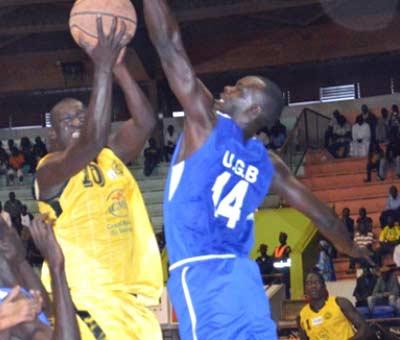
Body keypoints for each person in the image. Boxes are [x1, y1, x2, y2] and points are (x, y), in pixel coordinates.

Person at [144, 1, 371, 338]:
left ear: (252, 109)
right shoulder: (270, 163)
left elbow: (169, 44)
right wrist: (352, 249)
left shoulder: (205, 124)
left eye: (237, 88)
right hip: (245, 280)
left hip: (200, 273)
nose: (226, 89)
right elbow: (325, 218)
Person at [35, 17, 162, 339]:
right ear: (52, 136)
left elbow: (146, 122)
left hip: (132, 299)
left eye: (81, 114)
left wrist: (119, 68)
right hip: (88, 296)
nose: (77, 121)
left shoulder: (110, 154)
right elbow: (91, 139)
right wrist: (101, 69)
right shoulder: (49, 170)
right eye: (67, 120)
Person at [0, 211, 81, 340]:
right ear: (5, 245)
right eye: (8, 226)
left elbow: (45, 309)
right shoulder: (17, 311)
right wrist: (56, 267)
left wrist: (19, 254)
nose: (14, 229)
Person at [297, 271, 374, 340]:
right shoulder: (302, 315)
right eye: (309, 283)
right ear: (305, 289)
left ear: (324, 286)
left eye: (316, 282)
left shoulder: (340, 303)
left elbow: (365, 329)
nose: (313, 286)